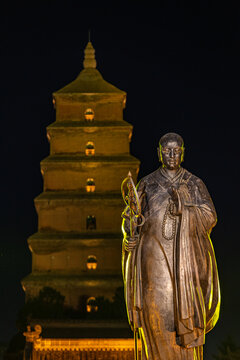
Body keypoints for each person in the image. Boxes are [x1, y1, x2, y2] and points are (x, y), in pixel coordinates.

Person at [121, 132, 220, 360]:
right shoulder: (147, 183)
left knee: (181, 324)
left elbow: (210, 216)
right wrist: (130, 232)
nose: (172, 155)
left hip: (184, 266)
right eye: (167, 150)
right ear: (159, 153)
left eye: (177, 150)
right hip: (152, 261)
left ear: (183, 153)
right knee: (155, 317)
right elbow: (131, 217)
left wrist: (184, 210)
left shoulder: (194, 183)